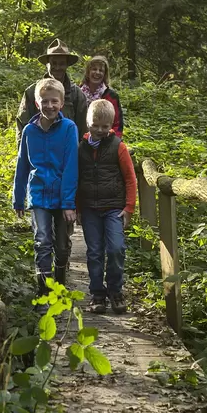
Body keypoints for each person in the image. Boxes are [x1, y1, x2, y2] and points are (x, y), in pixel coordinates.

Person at [13, 78, 79, 310]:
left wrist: (69, 203)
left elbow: (72, 166)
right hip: (38, 194)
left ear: (61, 103)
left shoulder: (69, 128)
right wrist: (17, 198)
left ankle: (60, 288)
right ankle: (44, 291)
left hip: (62, 197)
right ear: (37, 103)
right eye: (45, 101)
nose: (49, 105)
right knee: (42, 241)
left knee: (61, 245)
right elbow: (22, 166)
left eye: (54, 101)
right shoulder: (30, 131)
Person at [77, 99, 136, 314]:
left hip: (113, 207)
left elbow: (130, 179)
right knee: (94, 252)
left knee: (116, 248)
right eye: (95, 125)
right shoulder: (81, 148)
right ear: (87, 123)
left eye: (105, 126)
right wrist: (77, 208)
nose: (100, 130)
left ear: (111, 125)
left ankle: (115, 290)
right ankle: (97, 294)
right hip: (90, 208)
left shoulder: (118, 147)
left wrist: (129, 208)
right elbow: (77, 179)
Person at [16, 39, 88, 144]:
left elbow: (83, 131)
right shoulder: (32, 92)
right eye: (53, 63)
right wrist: (23, 153)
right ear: (47, 64)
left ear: (67, 65)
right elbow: (22, 126)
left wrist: (79, 157)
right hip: (37, 154)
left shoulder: (76, 94)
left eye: (62, 63)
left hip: (66, 154)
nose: (57, 67)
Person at [80, 56, 124, 138]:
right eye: (94, 69)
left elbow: (117, 124)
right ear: (88, 72)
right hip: (82, 140)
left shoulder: (111, 96)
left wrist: (113, 143)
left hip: (105, 140)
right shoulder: (78, 92)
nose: (97, 72)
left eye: (101, 70)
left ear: (105, 74)